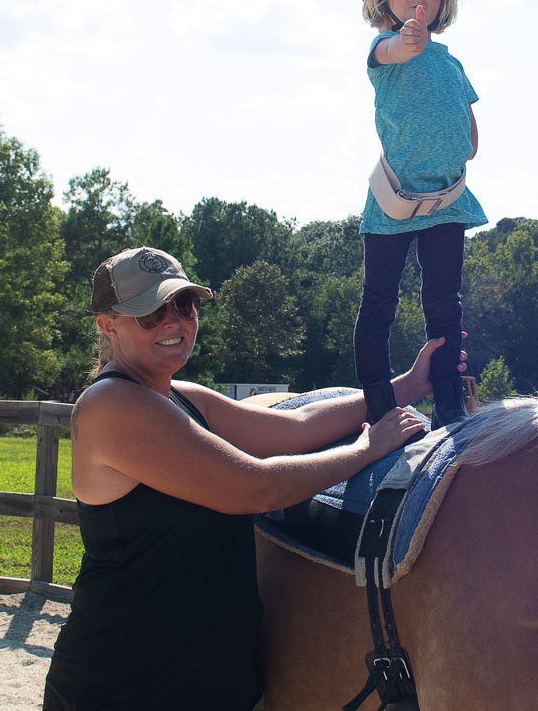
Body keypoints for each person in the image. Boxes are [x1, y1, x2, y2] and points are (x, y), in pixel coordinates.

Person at [43, 247, 459, 710]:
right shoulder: (110, 406)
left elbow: (295, 428)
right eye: (150, 313)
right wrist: (364, 450)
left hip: (212, 681)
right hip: (123, 683)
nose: (174, 322)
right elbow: (256, 487)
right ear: (108, 325)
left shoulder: (181, 398)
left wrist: (406, 386)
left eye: (184, 305)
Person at [354, 0, 487, 429]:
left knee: (445, 305)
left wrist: (460, 139)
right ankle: (379, 408)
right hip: (395, 199)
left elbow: (470, 131)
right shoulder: (384, 50)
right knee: (379, 306)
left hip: (447, 201)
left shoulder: (451, 61)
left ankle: (449, 405)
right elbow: (396, 52)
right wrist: (406, 41)